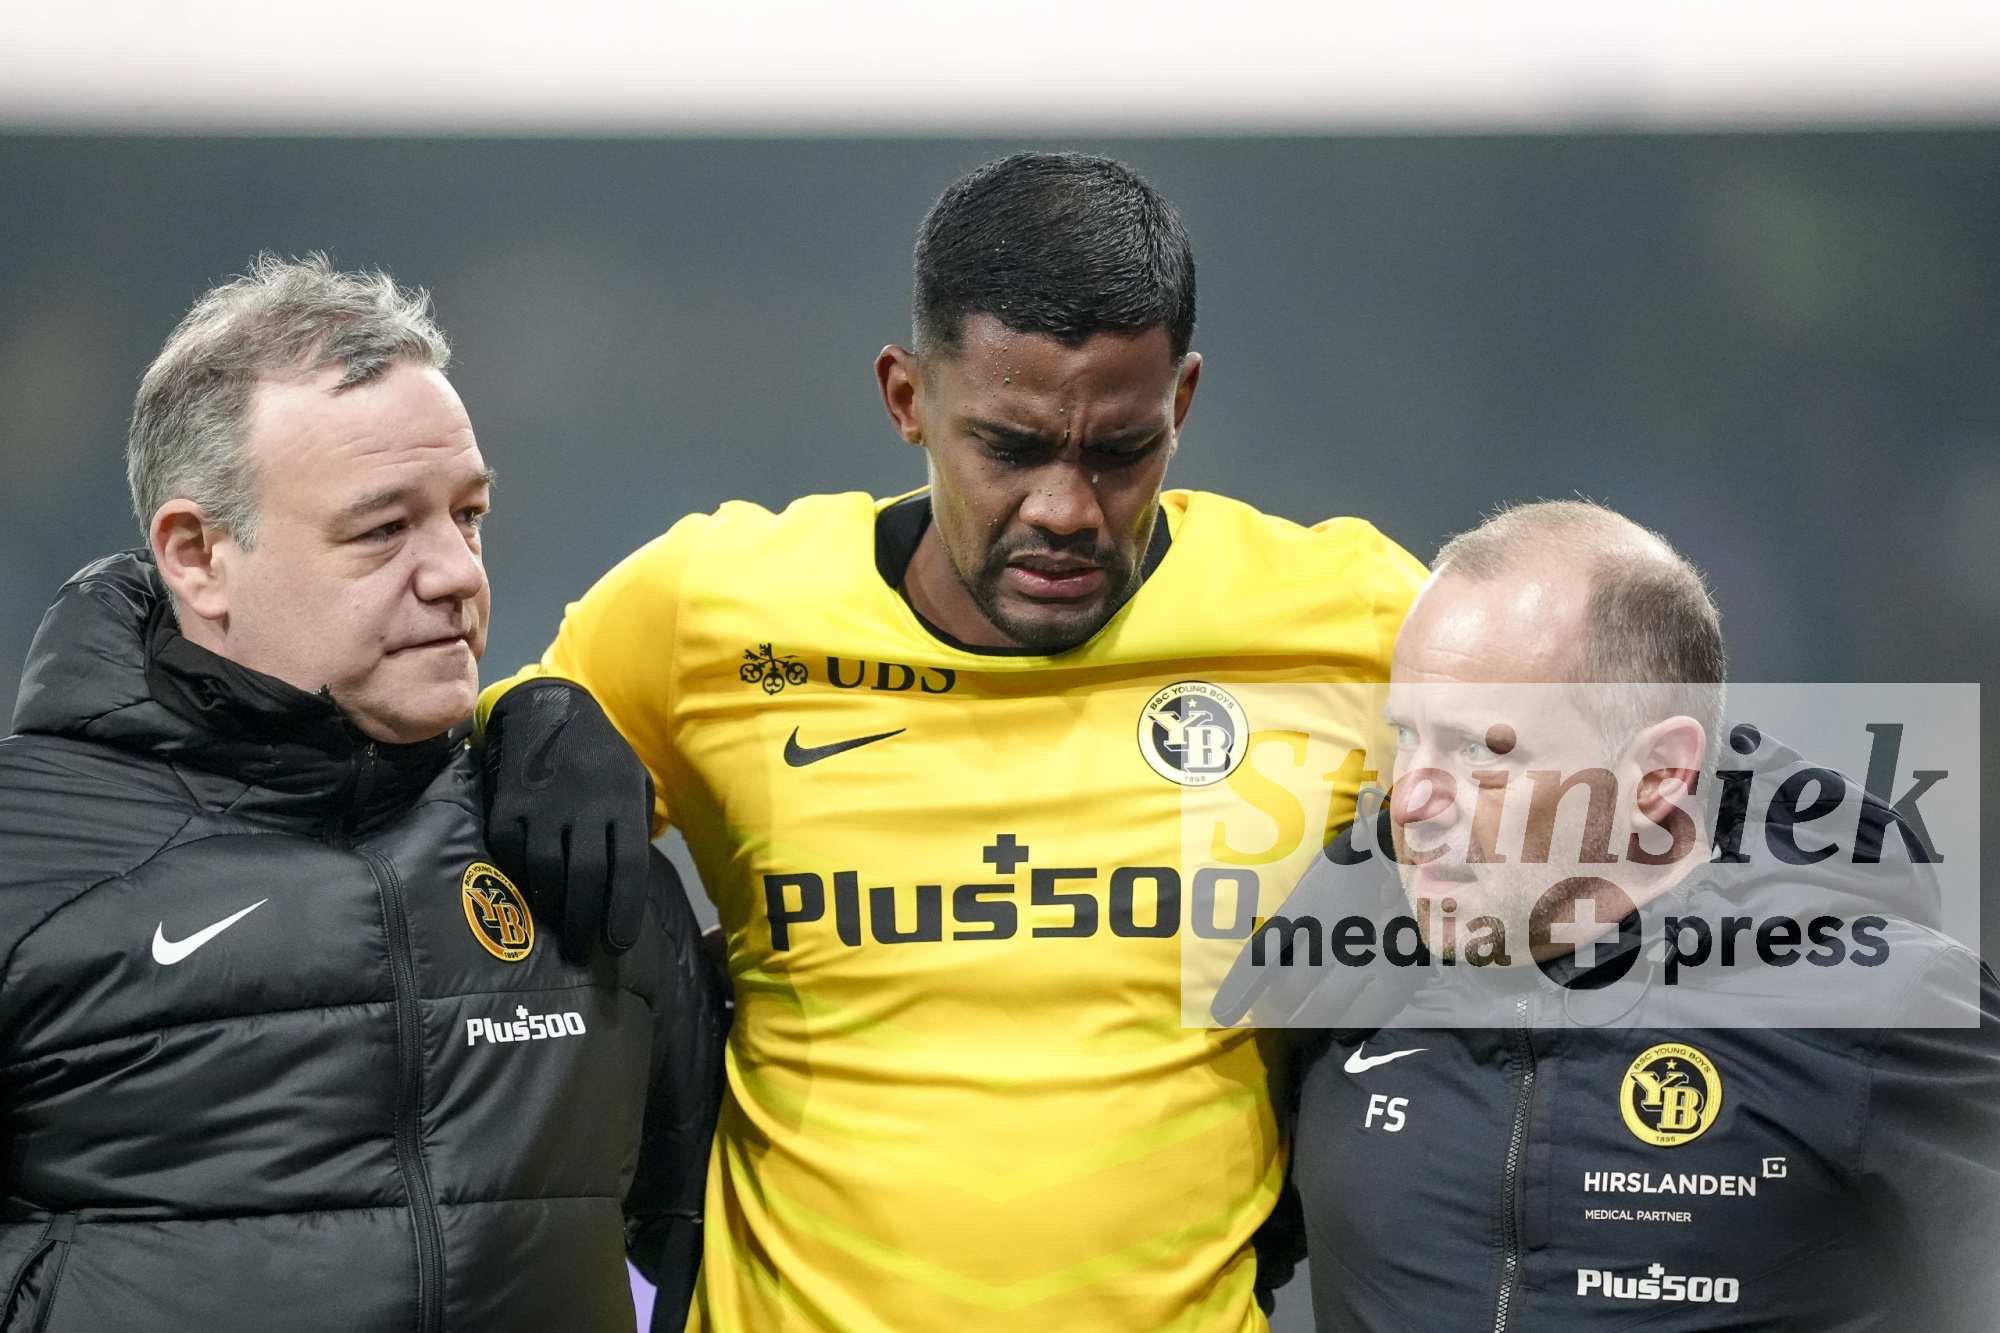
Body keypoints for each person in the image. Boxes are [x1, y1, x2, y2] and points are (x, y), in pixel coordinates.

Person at [477, 152, 1425, 1331]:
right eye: (1010, 448)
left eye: (1118, 450)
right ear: (905, 397)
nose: (1064, 509)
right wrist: (527, 715)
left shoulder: (1351, 619)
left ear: (1179, 403)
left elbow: (1616, 869)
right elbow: (478, 765)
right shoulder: (705, 613)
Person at [0, 255, 726, 1333]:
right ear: (198, 556)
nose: (457, 572)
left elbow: (712, 1255)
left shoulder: (579, 857)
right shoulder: (27, 864)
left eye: (468, 515)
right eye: (383, 529)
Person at [1236, 500, 2000, 1330]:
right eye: (1407, 737)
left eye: (1479, 750)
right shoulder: (1337, 982)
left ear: (1659, 776)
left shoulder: (1883, 1009)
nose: (1410, 801)